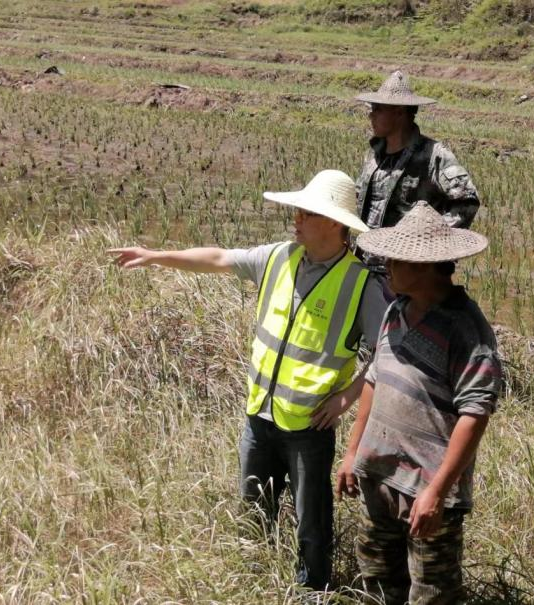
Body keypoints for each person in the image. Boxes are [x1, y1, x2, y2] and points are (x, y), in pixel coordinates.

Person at [109, 170, 388, 591]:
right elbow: (220, 259)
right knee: (255, 509)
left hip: (308, 427)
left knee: (311, 523)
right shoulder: (278, 257)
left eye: (306, 213)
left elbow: (388, 352)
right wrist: (156, 255)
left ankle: (312, 593)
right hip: (259, 415)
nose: (295, 218)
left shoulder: (360, 283)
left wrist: (346, 398)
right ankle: (255, 580)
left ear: (334, 223)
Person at [336, 201, 502, 605]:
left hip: (425, 489)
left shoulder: (467, 329)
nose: (387, 266)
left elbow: (474, 414)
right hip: (378, 476)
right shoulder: (396, 310)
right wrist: (352, 453)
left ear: (426, 265)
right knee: (377, 582)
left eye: (396, 259)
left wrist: (438, 492)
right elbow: (375, 380)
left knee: (432, 594)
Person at [354, 71, 480, 270]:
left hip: (406, 272)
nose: (371, 115)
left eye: (378, 109)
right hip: (363, 266)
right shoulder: (373, 156)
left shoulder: (433, 156)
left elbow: (467, 202)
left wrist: (428, 243)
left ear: (399, 112)